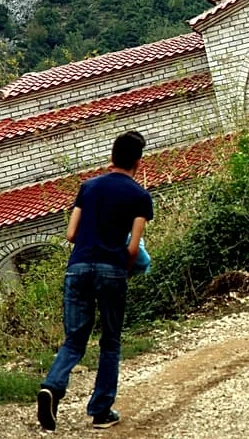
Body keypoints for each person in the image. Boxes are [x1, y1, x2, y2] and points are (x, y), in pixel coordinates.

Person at [37, 131, 153, 431]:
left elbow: (71, 234)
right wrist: (124, 270)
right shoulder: (140, 197)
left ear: (111, 157)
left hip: (77, 268)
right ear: (138, 163)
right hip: (111, 270)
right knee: (110, 342)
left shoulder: (87, 188)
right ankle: (100, 411)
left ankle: (52, 386)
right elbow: (132, 248)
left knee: (74, 340)